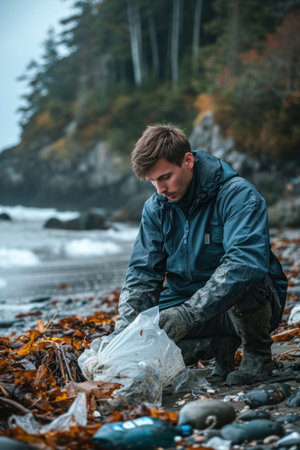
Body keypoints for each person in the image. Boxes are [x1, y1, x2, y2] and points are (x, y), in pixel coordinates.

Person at [114, 124, 287, 385]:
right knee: (143, 330)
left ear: (188, 161)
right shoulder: (156, 208)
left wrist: (188, 314)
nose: (159, 189)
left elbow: (245, 263)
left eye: (165, 177)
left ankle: (257, 355)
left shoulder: (238, 194)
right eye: (153, 181)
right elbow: (142, 275)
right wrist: (123, 336)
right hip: (189, 303)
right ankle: (219, 345)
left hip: (251, 306)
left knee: (244, 276)